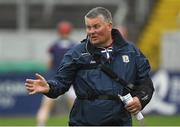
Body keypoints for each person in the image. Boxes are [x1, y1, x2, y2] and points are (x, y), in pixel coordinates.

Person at [25, 7, 154, 126]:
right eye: (88, 27)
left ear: (109, 26)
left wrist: (140, 99)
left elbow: (145, 83)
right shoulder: (76, 53)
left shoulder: (131, 52)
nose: (91, 31)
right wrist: (49, 87)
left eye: (96, 26)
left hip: (119, 122)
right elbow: (61, 82)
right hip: (84, 122)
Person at [36, 21, 76, 126]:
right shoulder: (74, 46)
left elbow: (49, 64)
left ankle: (40, 125)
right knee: (75, 108)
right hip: (70, 81)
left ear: (58, 32)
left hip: (55, 80)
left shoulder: (53, 47)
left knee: (45, 106)